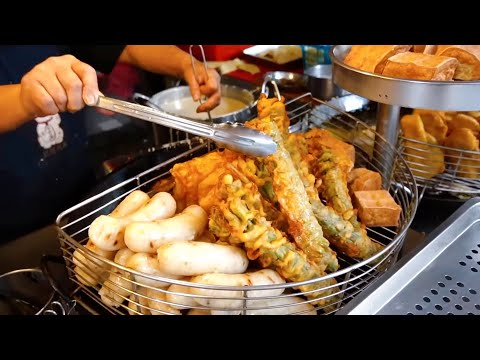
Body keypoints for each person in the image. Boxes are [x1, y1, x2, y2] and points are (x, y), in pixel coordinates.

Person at [0, 45, 221, 242]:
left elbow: (127, 47)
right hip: (14, 222)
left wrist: (185, 64)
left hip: (79, 195)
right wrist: (24, 99)